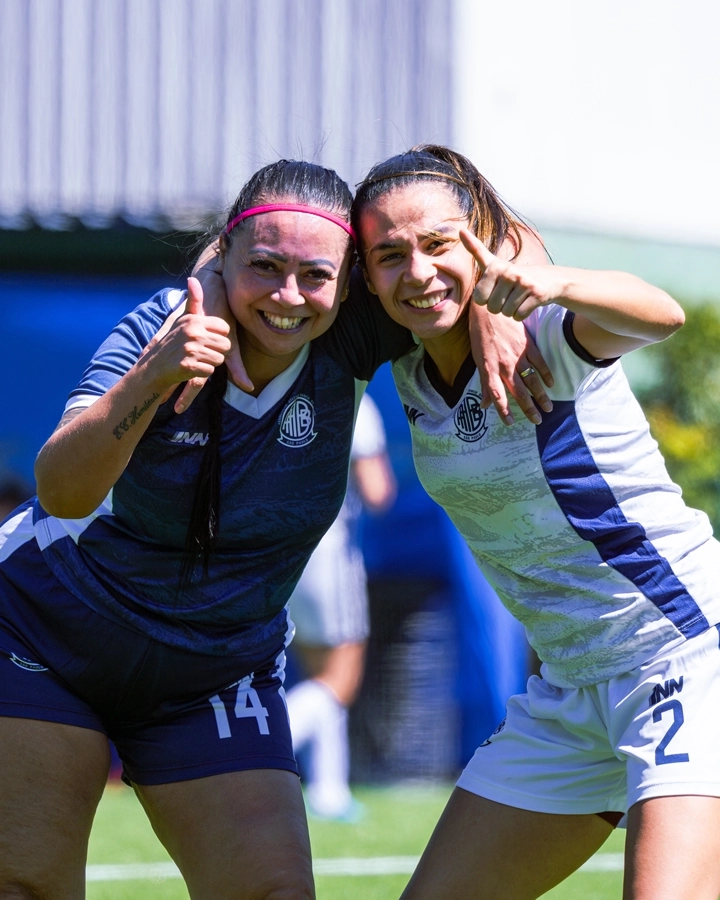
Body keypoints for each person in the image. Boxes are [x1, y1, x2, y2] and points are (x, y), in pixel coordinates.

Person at [0, 157, 548, 899]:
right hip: (45, 635)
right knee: (27, 883)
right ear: (221, 260)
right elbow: (61, 491)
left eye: (315, 275)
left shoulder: (349, 333)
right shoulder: (166, 325)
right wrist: (154, 378)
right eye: (264, 267)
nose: (289, 296)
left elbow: (480, 234)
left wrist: (488, 307)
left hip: (213, 669)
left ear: (348, 282)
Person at [349, 145, 720, 900]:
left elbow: (660, 313)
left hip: (682, 659)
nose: (417, 272)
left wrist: (548, 284)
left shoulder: (547, 337)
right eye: (389, 255)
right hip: (569, 689)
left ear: (479, 240)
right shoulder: (408, 371)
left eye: (437, 245)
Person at [286, 391, 395, 821]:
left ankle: (329, 791)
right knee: (340, 680)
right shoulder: (352, 398)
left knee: (317, 673)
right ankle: (259, 751)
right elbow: (377, 491)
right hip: (329, 550)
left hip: (282, 553)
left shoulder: (279, 384)